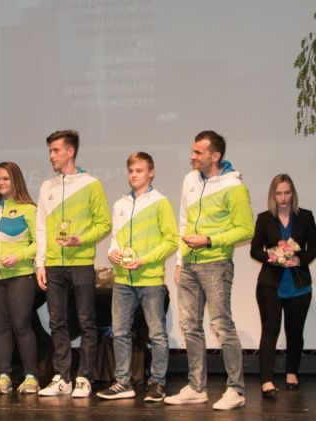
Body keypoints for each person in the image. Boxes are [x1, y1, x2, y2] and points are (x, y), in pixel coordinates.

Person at [164, 131, 254, 410]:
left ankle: (236, 390)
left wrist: (210, 240)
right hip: (189, 265)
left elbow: (246, 229)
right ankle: (196, 388)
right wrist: (179, 261)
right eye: (192, 151)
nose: (192, 156)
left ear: (215, 156)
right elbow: (183, 221)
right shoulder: (189, 180)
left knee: (221, 326)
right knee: (190, 326)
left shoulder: (234, 186)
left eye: (198, 152)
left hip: (216, 264)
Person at [35, 130, 111, 398]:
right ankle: (62, 377)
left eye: (56, 150)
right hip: (54, 264)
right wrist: (40, 263)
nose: (51, 156)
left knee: (86, 320)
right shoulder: (46, 187)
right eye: (50, 151)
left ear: (70, 151)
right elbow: (40, 226)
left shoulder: (91, 184)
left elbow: (104, 223)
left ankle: (84, 377)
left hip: (81, 262)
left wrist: (82, 239)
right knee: (57, 321)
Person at [96, 152, 176, 402]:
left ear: (151, 173)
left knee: (157, 334)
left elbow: (171, 240)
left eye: (139, 170)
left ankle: (157, 383)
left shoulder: (160, 202)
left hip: (150, 279)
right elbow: (116, 238)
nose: (133, 175)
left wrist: (145, 259)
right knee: (119, 332)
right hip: (122, 279)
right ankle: (123, 382)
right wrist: (112, 251)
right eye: (131, 170)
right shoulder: (120, 204)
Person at [249, 174, 315, 398]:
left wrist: (300, 259)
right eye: (279, 193)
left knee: (295, 332)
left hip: (299, 285)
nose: (283, 198)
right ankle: (266, 380)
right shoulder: (264, 218)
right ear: (273, 195)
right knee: (270, 331)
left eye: (287, 193)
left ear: (293, 193)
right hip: (270, 284)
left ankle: (291, 372)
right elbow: (255, 250)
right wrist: (272, 257)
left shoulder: (306, 216)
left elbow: (314, 248)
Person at [0, 162, 40, 395]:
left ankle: (31, 377)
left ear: (16, 180)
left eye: (6, 178)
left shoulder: (29, 209)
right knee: (1, 327)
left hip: (20, 276)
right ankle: (4, 376)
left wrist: (19, 256)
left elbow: (39, 243)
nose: (1, 183)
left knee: (21, 325)